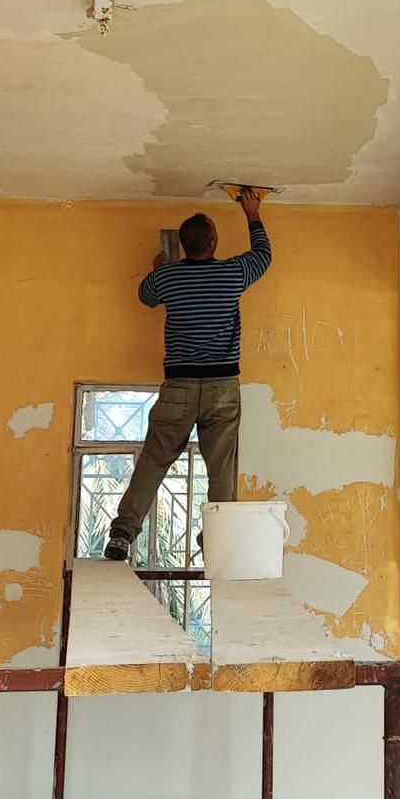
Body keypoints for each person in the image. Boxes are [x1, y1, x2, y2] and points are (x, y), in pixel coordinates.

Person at [103, 187, 272, 562]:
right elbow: (264, 255)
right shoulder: (232, 273)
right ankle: (217, 540)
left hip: (178, 386)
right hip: (222, 387)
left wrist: (158, 270)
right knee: (221, 468)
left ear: (183, 246)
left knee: (154, 460)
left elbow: (145, 296)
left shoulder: (169, 277)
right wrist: (252, 212)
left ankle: (122, 534)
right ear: (214, 243)